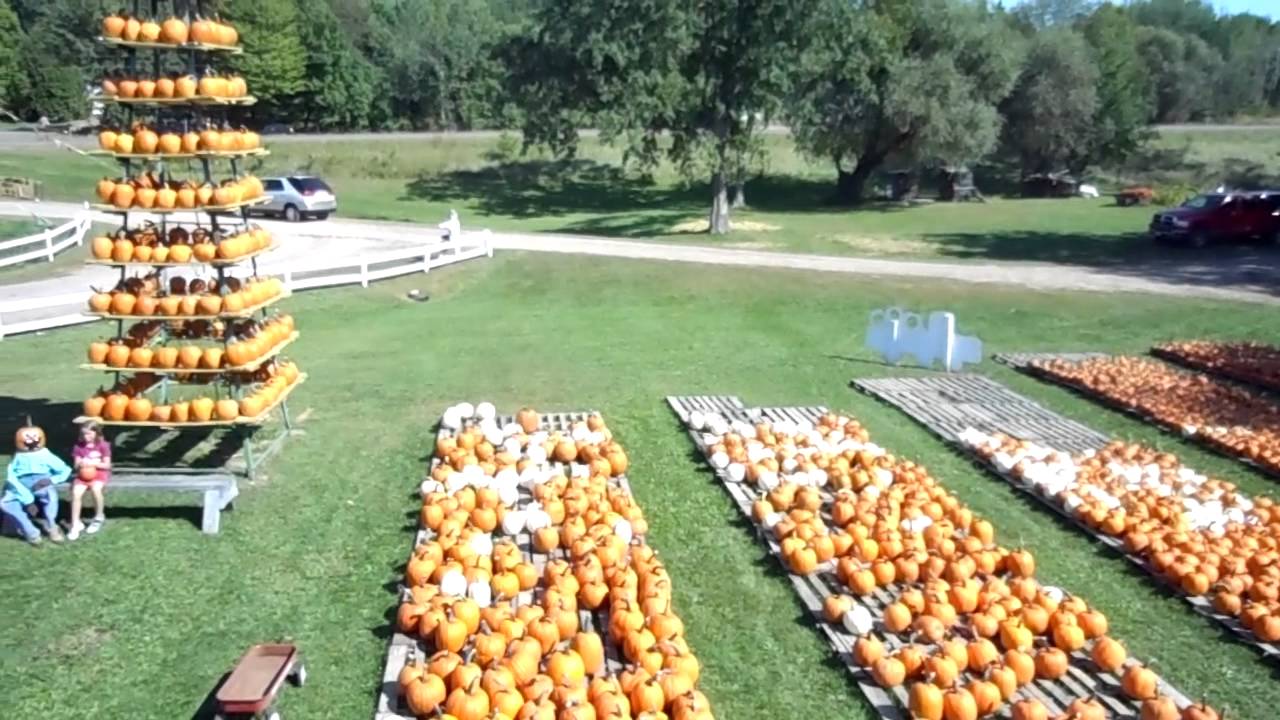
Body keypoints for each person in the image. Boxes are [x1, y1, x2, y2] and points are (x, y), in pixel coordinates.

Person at [2, 419, 71, 545]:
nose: (32, 440)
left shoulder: (45, 454)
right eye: (27, 437)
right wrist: (24, 495)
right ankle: (30, 530)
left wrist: (51, 480)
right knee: (6, 503)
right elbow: (11, 475)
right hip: (21, 483)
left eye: (34, 436)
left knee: (50, 496)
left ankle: (52, 526)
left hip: (41, 480)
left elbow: (65, 470)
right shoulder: (17, 456)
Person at [68, 421, 111, 540]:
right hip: (83, 475)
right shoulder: (78, 446)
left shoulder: (103, 445)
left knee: (96, 489)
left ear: (96, 433)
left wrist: (94, 463)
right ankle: (75, 523)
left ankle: (98, 516)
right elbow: (76, 465)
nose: (86, 437)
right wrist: (81, 463)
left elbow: (107, 465)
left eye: (89, 434)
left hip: (99, 473)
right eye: (84, 434)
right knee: (76, 492)